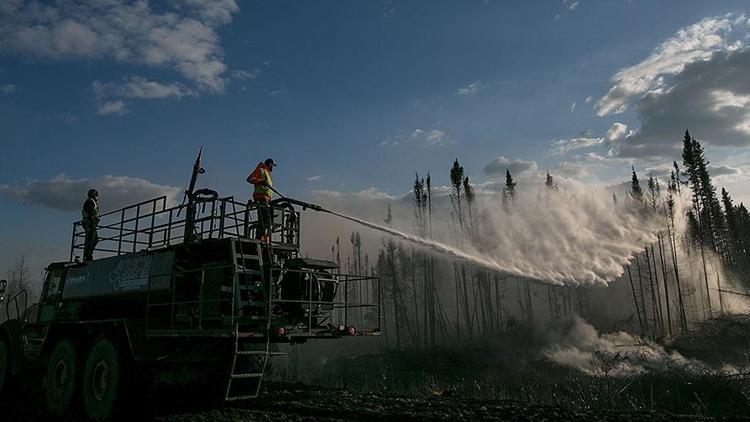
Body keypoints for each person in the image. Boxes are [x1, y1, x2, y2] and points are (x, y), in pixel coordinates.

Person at [247, 158, 276, 243]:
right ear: (270, 164)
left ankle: (264, 237)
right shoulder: (261, 170)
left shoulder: (267, 173)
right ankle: (259, 238)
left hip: (267, 200)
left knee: (268, 219)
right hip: (260, 198)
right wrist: (260, 182)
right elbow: (249, 179)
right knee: (264, 219)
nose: (273, 168)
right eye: (272, 165)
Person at [81, 188, 100, 262]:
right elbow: (91, 213)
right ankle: (88, 256)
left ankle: (88, 255)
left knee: (93, 239)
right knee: (92, 239)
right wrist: (92, 222)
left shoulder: (91, 201)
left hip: (90, 222)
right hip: (90, 223)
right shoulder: (90, 201)